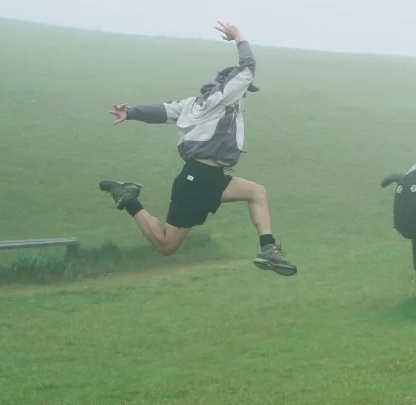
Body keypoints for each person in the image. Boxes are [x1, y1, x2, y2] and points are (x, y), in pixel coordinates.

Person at [99, 21, 297, 276]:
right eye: (245, 88)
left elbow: (162, 111)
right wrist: (239, 37)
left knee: (257, 192)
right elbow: (247, 68)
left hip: (209, 177)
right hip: (196, 179)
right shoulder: (225, 96)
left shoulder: (194, 104)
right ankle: (129, 199)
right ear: (230, 83)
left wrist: (131, 112)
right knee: (166, 245)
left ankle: (268, 249)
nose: (246, 93)